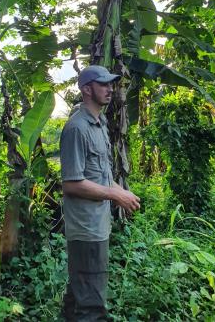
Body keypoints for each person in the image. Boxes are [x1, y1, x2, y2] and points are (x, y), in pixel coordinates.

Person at [60, 65, 141, 322]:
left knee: (78, 297)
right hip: (86, 230)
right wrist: (115, 196)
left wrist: (123, 193)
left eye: (111, 84)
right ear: (86, 89)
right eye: (103, 84)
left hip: (98, 225)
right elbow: (72, 183)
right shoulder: (77, 128)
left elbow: (102, 175)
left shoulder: (100, 123)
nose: (110, 89)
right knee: (92, 307)